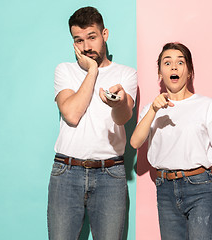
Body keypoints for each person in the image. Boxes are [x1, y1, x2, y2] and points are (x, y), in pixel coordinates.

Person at [47, 6, 137, 240]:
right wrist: (93, 71)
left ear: (104, 34)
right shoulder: (64, 71)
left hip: (111, 174)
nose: (86, 46)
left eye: (92, 37)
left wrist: (117, 103)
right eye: (78, 40)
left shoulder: (126, 74)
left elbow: (123, 118)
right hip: (66, 172)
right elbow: (72, 114)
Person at [130, 42, 212, 240]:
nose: (174, 67)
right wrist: (153, 110)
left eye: (180, 62)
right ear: (160, 73)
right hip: (165, 189)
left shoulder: (206, 105)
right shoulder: (153, 109)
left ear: (189, 71)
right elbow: (135, 142)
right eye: (167, 63)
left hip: (200, 188)